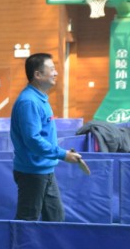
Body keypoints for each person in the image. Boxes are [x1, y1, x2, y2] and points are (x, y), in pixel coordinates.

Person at [10, 53, 81, 221]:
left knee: (56, 218)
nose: (56, 73)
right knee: (27, 220)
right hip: (31, 172)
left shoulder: (40, 98)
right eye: (52, 69)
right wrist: (62, 154)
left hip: (45, 169)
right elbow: (33, 140)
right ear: (38, 74)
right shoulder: (29, 102)